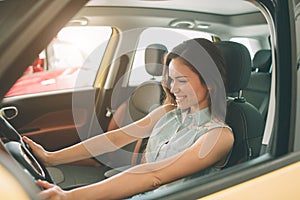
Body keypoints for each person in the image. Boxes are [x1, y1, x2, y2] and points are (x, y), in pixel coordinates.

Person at [23, 38, 234, 200]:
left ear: (209, 82)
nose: (172, 88)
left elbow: (154, 176)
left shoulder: (218, 136)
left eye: (182, 81)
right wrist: (51, 157)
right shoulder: (168, 113)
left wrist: (70, 197)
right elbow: (114, 139)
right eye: (170, 79)